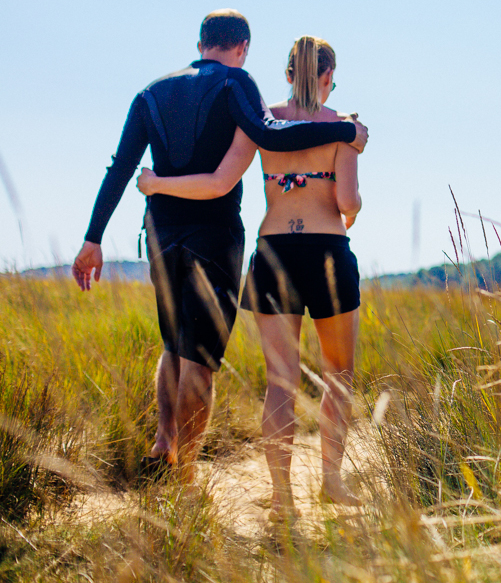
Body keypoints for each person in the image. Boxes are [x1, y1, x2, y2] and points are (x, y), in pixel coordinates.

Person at [72, 12, 368, 485]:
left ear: (201, 42)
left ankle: (169, 445)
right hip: (227, 239)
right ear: (243, 47)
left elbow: (121, 166)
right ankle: (189, 475)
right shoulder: (238, 86)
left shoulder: (150, 93)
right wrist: (345, 133)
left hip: (171, 235)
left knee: (181, 346)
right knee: (212, 359)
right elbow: (260, 152)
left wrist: (94, 237)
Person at [137, 35, 363, 520]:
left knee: (280, 383)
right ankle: (331, 481)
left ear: (286, 75)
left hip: (273, 252)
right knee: (337, 378)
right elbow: (347, 203)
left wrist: (156, 184)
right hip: (326, 251)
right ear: (326, 77)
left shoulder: (262, 123)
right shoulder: (344, 128)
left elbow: (222, 180)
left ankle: (282, 501)